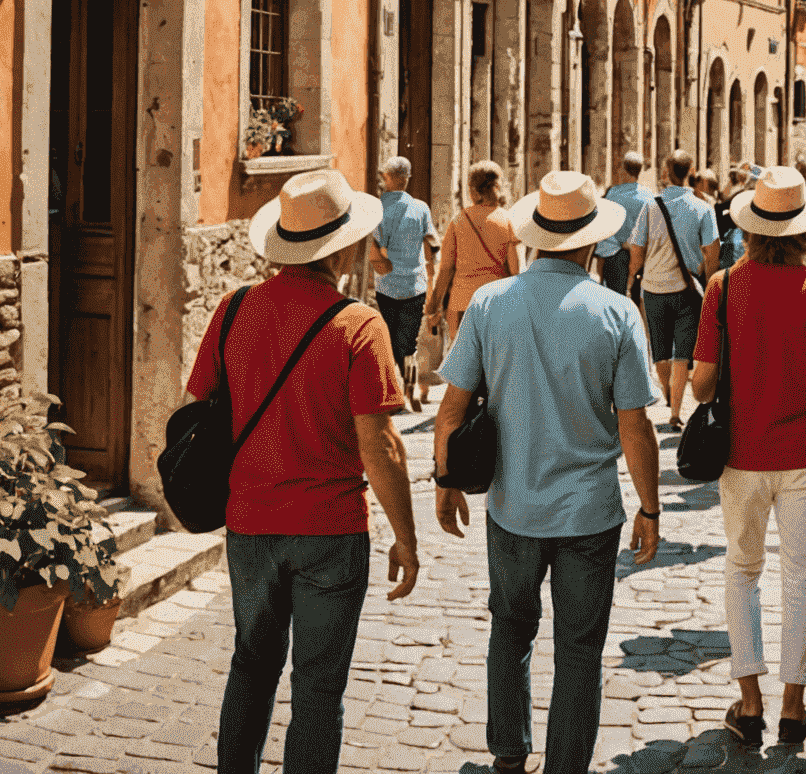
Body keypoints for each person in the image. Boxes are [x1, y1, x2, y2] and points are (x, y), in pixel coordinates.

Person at [185, 169, 419, 774]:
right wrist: (406, 537)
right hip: (331, 531)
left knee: (250, 666)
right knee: (319, 688)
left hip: (250, 523)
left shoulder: (234, 309)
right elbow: (382, 445)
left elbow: (198, 406)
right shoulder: (359, 326)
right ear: (340, 248)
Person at [434, 172, 664, 774]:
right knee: (581, 648)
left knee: (510, 630)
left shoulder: (490, 303)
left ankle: (509, 753)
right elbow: (635, 424)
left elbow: (452, 408)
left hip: (513, 505)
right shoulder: (617, 314)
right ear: (593, 243)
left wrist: (445, 480)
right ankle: (567, 764)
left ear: (534, 236)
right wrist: (650, 506)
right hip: (590, 511)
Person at [690, 168, 806, 747]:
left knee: (743, 570)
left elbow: (703, 385)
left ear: (751, 231)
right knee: (802, 574)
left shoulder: (723, 287)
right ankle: (793, 706)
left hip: (743, 453)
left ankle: (749, 701)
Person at [627, 149, 720, 430]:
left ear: (666, 171)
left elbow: (636, 249)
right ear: (691, 170)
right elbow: (712, 251)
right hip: (686, 288)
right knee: (683, 355)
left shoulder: (651, 206)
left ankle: (668, 397)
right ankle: (675, 412)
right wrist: (706, 275)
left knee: (660, 351)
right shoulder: (702, 207)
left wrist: (635, 274)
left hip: (653, 288)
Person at [368, 155, 439, 412]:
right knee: (408, 343)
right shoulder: (421, 208)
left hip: (386, 285)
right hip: (414, 284)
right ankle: (410, 389)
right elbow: (431, 245)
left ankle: (396, 391)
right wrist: (431, 279)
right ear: (407, 179)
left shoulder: (377, 209)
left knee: (389, 339)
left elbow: (378, 247)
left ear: (387, 178)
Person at [426, 161, 518, 343]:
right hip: (497, 303)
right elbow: (515, 270)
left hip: (462, 304)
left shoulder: (458, 221)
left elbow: (446, 270)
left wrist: (433, 306)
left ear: (473, 190)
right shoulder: (508, 221)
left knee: (463, 364)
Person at [596, 150, 649, 297]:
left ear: (623, 169)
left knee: (615, 298)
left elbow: (605, 228)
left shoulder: (613, 194)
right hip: (640, 257)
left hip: (615, 256)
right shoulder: (648, 196)